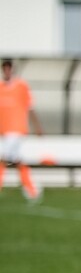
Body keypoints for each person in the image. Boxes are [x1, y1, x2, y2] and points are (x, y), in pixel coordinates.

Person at [0, 58, 42, 203]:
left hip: (16, 130)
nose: (7, 71)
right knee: (17, 161)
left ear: (12, 70)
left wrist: (37, 126)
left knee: (3, 159)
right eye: (4, 69)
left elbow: (30, 107)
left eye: (8, 68)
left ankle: (30, 189)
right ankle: (32, 189)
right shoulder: (0, 87)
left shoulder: (21, 86)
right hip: (4, 132)